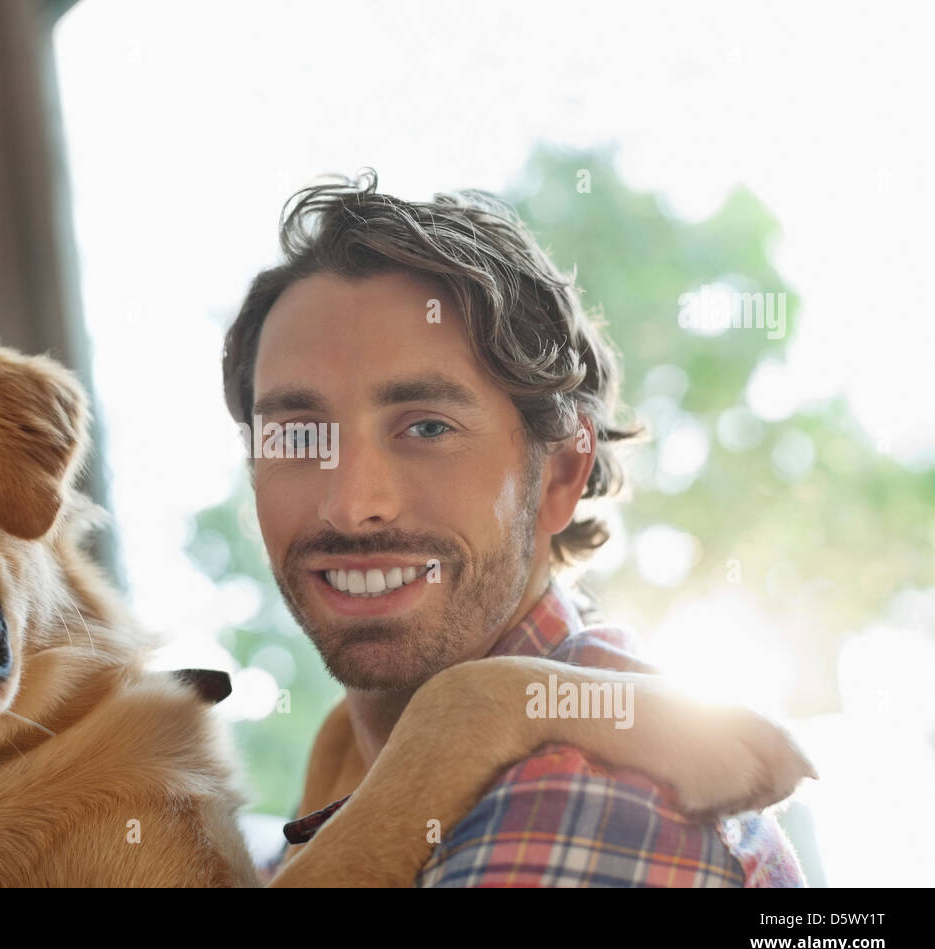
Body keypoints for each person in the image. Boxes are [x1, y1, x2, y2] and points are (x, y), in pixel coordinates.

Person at [220, 171, 806, 887]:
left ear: (561, 473)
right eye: (300, 437)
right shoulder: (340, 784)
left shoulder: (587, 796)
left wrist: (487, 710)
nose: (352, 503)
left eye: (427, 426)